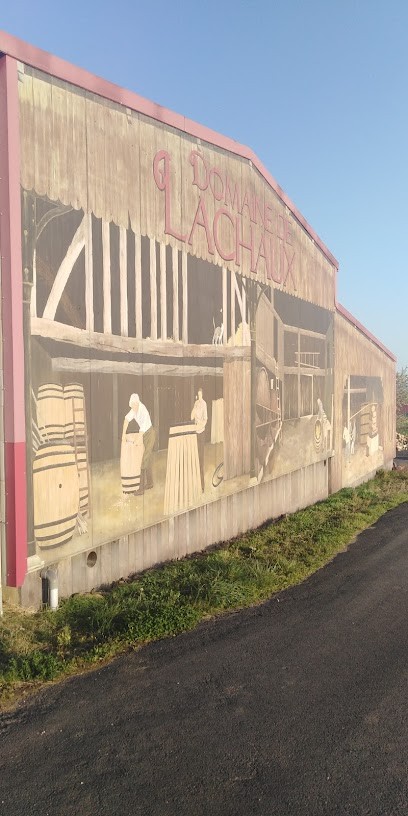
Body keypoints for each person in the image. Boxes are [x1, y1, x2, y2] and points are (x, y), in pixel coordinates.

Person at [123, 394, 156, 494]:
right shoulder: (134, 409)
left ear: (137, 403)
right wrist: (123, 434)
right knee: (148, 459)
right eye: (132, 406)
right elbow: (126, 420)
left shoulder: (143, 411)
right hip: (145, 435)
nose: (133, 408)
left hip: (150, 434)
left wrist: (136, 441)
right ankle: (150, 483)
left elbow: (141, 432)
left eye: (135, 406)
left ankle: (141, 489)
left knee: (144, 460)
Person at [191, 387, 207, 492]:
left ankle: (202, 486)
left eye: (201, 394)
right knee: (194, 457)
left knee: (200, 459)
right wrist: (194, 407)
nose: (199, 397)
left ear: (203, 395)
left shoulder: (204, 404)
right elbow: (191, 417)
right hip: (195, 432)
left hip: (201, 433)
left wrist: (201, 425)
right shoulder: (196, 403)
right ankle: (195, 483)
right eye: (198, 394)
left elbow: (205, 419)